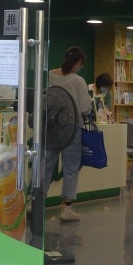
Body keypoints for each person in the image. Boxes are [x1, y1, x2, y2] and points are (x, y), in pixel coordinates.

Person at [47, 47, 94, 222]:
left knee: (45, 165)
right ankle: (66, 209)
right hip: (72, 128)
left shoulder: (50, 75)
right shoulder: (78, 81)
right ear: (78, 63)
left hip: (52, 127)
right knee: (71, 168)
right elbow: (85, 108)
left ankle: (34, 202)